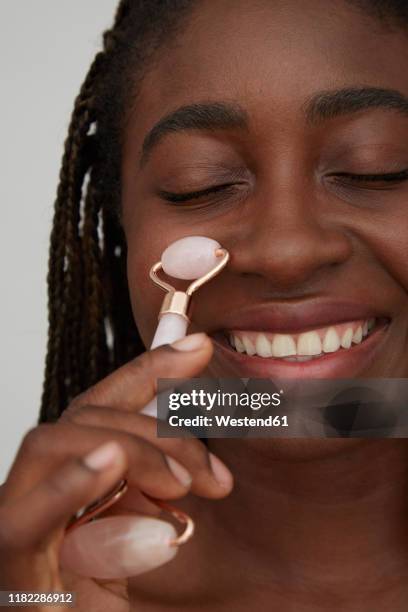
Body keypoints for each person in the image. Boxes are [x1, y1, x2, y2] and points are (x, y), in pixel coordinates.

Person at [1, 0, 408, 609]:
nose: (286, 250)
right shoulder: (46, 593)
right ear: (121, 232)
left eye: (375, 166)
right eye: (203, 182)